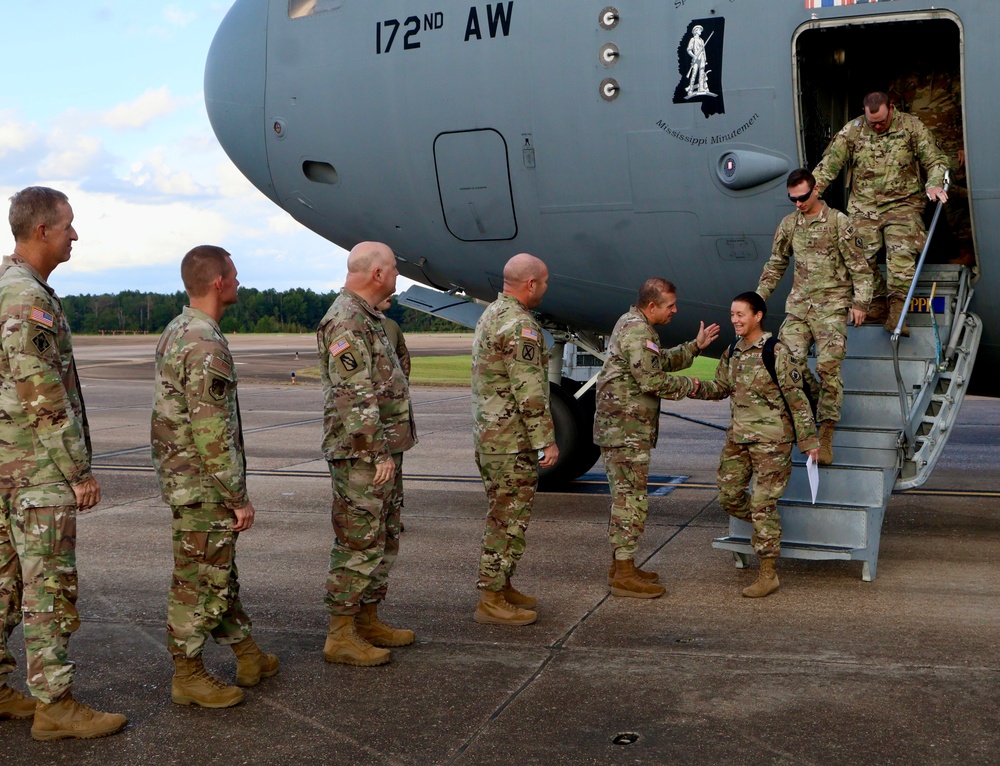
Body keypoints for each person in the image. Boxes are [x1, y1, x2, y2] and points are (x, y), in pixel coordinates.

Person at [0, 187, 127, 740]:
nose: (76, 234)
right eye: (69, 225)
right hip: (36, 474)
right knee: (47, 590)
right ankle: (55, 706)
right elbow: (43, 394)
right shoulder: (29, 301)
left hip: (8, 469)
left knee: (5, 586)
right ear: (42, 231)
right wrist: (79, 472)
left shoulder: (7, 289)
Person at [151, 245, 279, 709]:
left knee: (217, 573)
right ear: (220, 282)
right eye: (236, 274)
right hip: (204, 485)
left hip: (186, 478)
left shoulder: (178, 329)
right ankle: (188, 674)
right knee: (198, 582)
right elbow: (212, 430)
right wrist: (237, 496)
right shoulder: (206, 343)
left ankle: (248, 654)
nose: (240, 282)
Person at [317, 242, 416, 666]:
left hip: (380, 451)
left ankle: (367, 618)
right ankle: (340, 633)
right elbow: (354, 396)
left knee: (382, 537)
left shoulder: (369, 318)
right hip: (362, 455)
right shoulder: (345, 321)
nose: (397, 275)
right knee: (358, 541)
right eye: (394, 268)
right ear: (378, 274)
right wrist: (377, 453)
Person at [594, 279, 719, 598]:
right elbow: (652, 380)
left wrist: (694, 347)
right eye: (670, 306)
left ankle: (621, 565)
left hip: (625, 429)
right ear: (652, 306)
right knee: (630, 501)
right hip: (625, 431)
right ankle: (623, 575)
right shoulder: (637, 331)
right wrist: (696, 387)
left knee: (626, 498)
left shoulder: (635, 323)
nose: (675, 310)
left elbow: (657, 360)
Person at [690, 292, 820, 598]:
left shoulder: (776, 351)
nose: (734, 320)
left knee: (762, 504)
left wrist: (809, 439)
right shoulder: (733, 350)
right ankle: (768, 525)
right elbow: (721, 387)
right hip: (738, 438)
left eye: (740, 315)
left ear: (758, 316)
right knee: (728, 496)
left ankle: (768, 572)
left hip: (772, 442)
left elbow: (797, 398)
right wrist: (695, 387)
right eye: (732, 314)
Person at [757, 169, 873, 465]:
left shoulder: (838, 222)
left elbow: (859, 266)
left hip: (832, 306)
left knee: (828, 366)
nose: (798, 204)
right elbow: (776, 263)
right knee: (786, 360)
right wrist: (759, 298)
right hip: (799, 307)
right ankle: (818, 398)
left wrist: (860, 302)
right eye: (792, 199)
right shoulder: (789, 225)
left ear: (815, 190)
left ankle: (826, 433)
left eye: (803, 197)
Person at [812, 91, 950, 336]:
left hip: (903, 205)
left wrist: (934, 183)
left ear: (891, 109)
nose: (876, 126)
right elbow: (829, 165)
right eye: (872, 122)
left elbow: (936, 160)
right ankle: (876, 304)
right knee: (857, 255)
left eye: (881, 122)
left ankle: (897, 316)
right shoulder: (853, 131)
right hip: (864, 207)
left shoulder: (911, 126)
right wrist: (811, 192)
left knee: (900, 256)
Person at [471, 253, 558, 626]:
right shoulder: (520, 325)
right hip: (511, 442)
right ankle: (491, 598)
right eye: (545, 282)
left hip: (493, 438)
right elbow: (530, 391)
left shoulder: (492, 313)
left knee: (505, 515)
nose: (546, 288)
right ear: (531, 284)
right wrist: (546, 442)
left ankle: (502, 585)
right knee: (506, 520)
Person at [378, 297, 411, 380]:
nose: (389, 296)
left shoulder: (393, 325)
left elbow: (403, 355)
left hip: (390, 390)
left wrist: (404, 381)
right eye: (384, 292)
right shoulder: (355, 324)